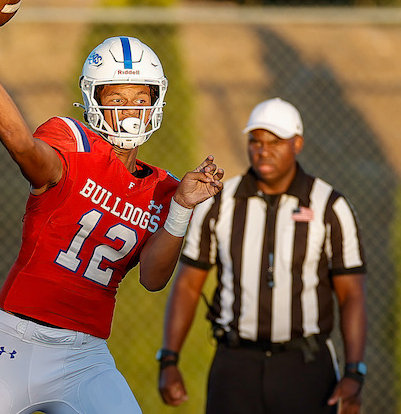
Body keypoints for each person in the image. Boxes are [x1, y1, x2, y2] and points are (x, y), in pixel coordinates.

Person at [0, 0, 224, 414]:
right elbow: (22, 146)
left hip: (84, 357)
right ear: (93, 100)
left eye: (140, 98)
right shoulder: (70, 141)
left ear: (156, 101)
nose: (130, 110)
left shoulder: (165, 189)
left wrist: (183, 208)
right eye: (117, 98)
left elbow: (153, 279)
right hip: (14, 343)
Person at [157, 97, 367, 414]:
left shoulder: (329, 206)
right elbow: (188, 284)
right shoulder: (219, 201)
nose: (263, 150)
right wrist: (169, 358)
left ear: (297, 143)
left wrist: (354, 372)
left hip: (305, 365)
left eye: (275, 141)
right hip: (235, 364)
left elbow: (351, 294)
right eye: (255, 140)